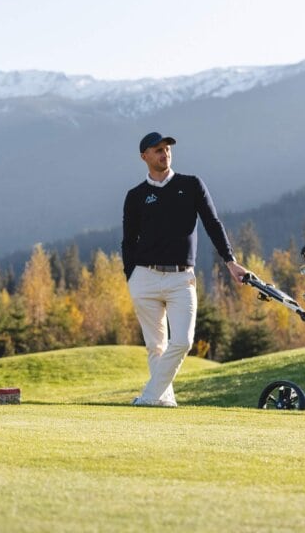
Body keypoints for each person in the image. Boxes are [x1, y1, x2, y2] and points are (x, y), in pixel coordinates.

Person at [121, 132, 250, 407]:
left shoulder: (191, 185)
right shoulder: (135, 196)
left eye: (167, 149)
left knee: (182, 341)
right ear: (144, 156)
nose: (164, 153)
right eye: (157, 150)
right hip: (144, 276)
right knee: (155, 347)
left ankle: (149, 397)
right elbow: (128, 240)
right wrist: (130, 276)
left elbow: (213, 223)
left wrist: (230, 261)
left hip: (182, 278)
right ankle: (163, 401)